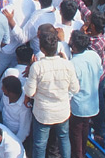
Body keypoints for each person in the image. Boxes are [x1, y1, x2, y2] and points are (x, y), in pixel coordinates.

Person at [23, 28, 80, 158]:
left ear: (42, 49)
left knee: (40, 144)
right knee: (64, 139)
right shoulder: (67, 65)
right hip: (62, 112)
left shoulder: (37, 67)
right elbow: (75, 89)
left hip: (43, 114)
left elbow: (30, 92)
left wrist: (32, 68)